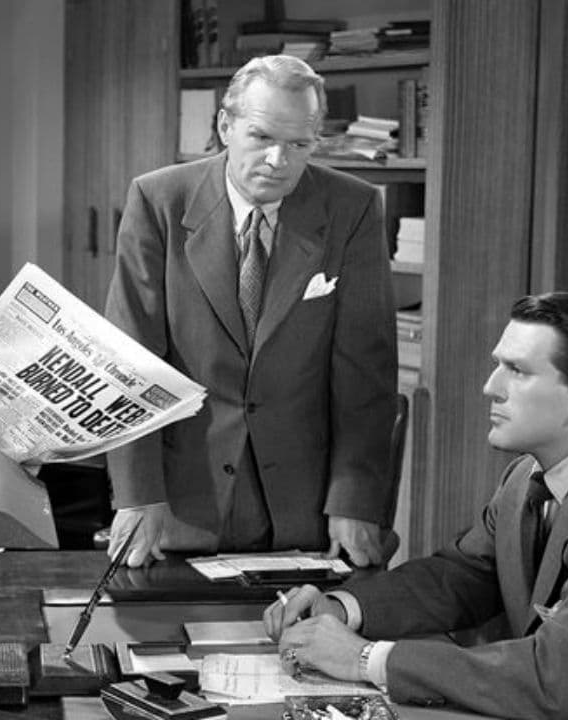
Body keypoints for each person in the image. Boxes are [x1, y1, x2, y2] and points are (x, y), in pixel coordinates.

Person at [264, 293, 568, 719]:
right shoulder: (526, 477)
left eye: (517, 371)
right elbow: (460, 577)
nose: (491, 387)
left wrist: (364, 658)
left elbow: (551, 677)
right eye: (498, 365)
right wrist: (344, 607)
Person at [103, 54, 397, 568]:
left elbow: (365, 374)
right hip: (178, 503)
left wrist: (352, 501)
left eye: (299, 144)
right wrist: (137, 494)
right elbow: (130, 361)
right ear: (225, 126)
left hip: (306, 506)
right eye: (261, 137)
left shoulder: (353, 208)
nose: (278, 161)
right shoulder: (158, 201)